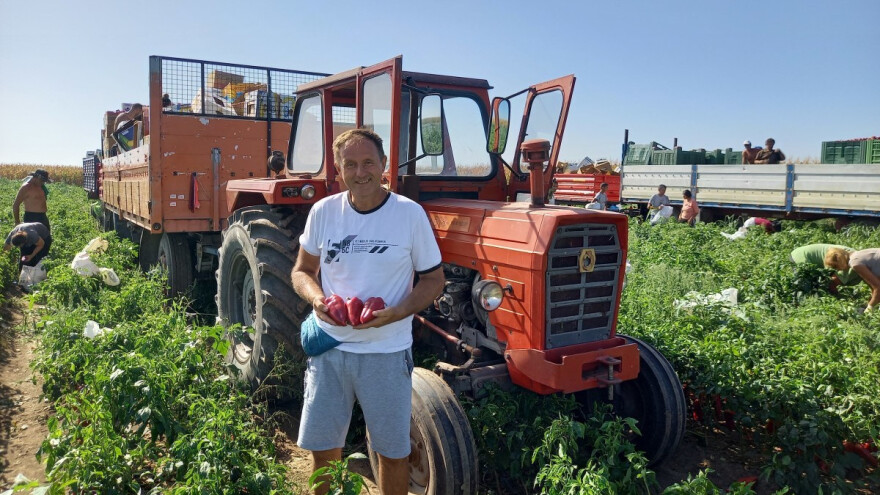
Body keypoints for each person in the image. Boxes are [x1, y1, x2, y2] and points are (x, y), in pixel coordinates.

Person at [291, 128, 445, 495]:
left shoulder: (409, 215)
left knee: (392, 453)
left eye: (368, 163)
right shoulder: (324, 211)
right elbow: (302, 271)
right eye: (350, 165)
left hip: (386, 353)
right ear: (338, 170)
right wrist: (317, 300)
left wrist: (398, 312)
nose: (360, 172)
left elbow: (433, 280)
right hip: (330, 349)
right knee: (324, 452)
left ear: (384, 164)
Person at [791, 244, 861, 294]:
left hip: (802, 252)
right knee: (806, 289)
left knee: (816, 285)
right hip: (801, 257)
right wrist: (837, 296)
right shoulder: (849, 264)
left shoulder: (852, 260)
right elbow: (831, 283)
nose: (837, 269)